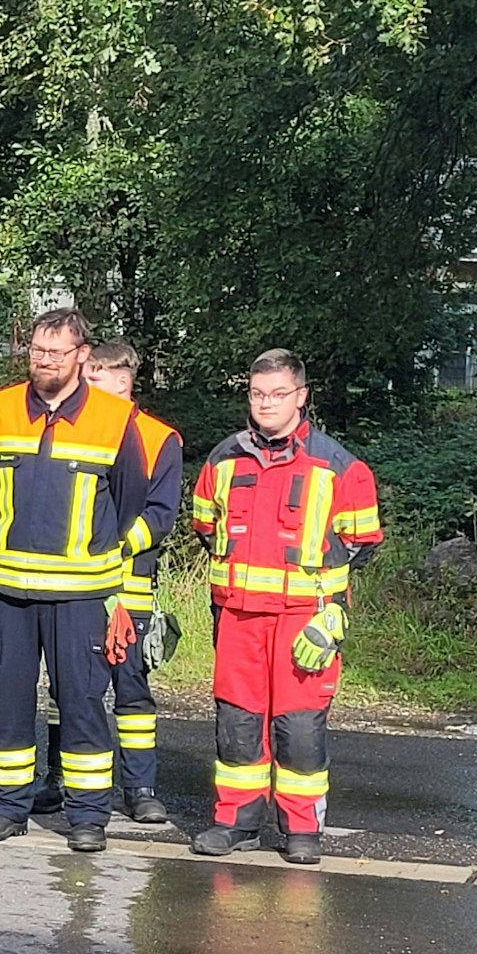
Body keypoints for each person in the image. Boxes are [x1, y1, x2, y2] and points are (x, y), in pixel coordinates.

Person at [0, 308, 148, 852]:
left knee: (82, 702)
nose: (44, 362)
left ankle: (88, 814)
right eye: (37, 352)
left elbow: (131, 500)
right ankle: (5, 806)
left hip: (80, 593)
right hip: (5, 593)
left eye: (56, 353)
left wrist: (99, 554)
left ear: (82, 357)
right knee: (5, 700)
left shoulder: (115, 418)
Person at [190, 348, 380, 865]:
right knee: (238, 721)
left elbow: (362, 542)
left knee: (298, 726)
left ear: (301, 397)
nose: (266, 404)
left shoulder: (340, 465)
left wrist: (330, 605)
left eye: (278, 394)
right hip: (237, 616)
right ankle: (235, 821)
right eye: (257, 394)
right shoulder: (223, 459)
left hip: (304, 620)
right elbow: (206, 526)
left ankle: (301, 827)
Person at [27, 340, 180, 824]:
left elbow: (160, 515)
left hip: (128, 588)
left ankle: (140, 785)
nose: (84, 389)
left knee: (131, 692)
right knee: (66, 690)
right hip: (76, 587)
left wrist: (109, 544)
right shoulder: (72, 427)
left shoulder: (158, 438)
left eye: (94, 381)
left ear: (123, 381)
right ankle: (59, 777)